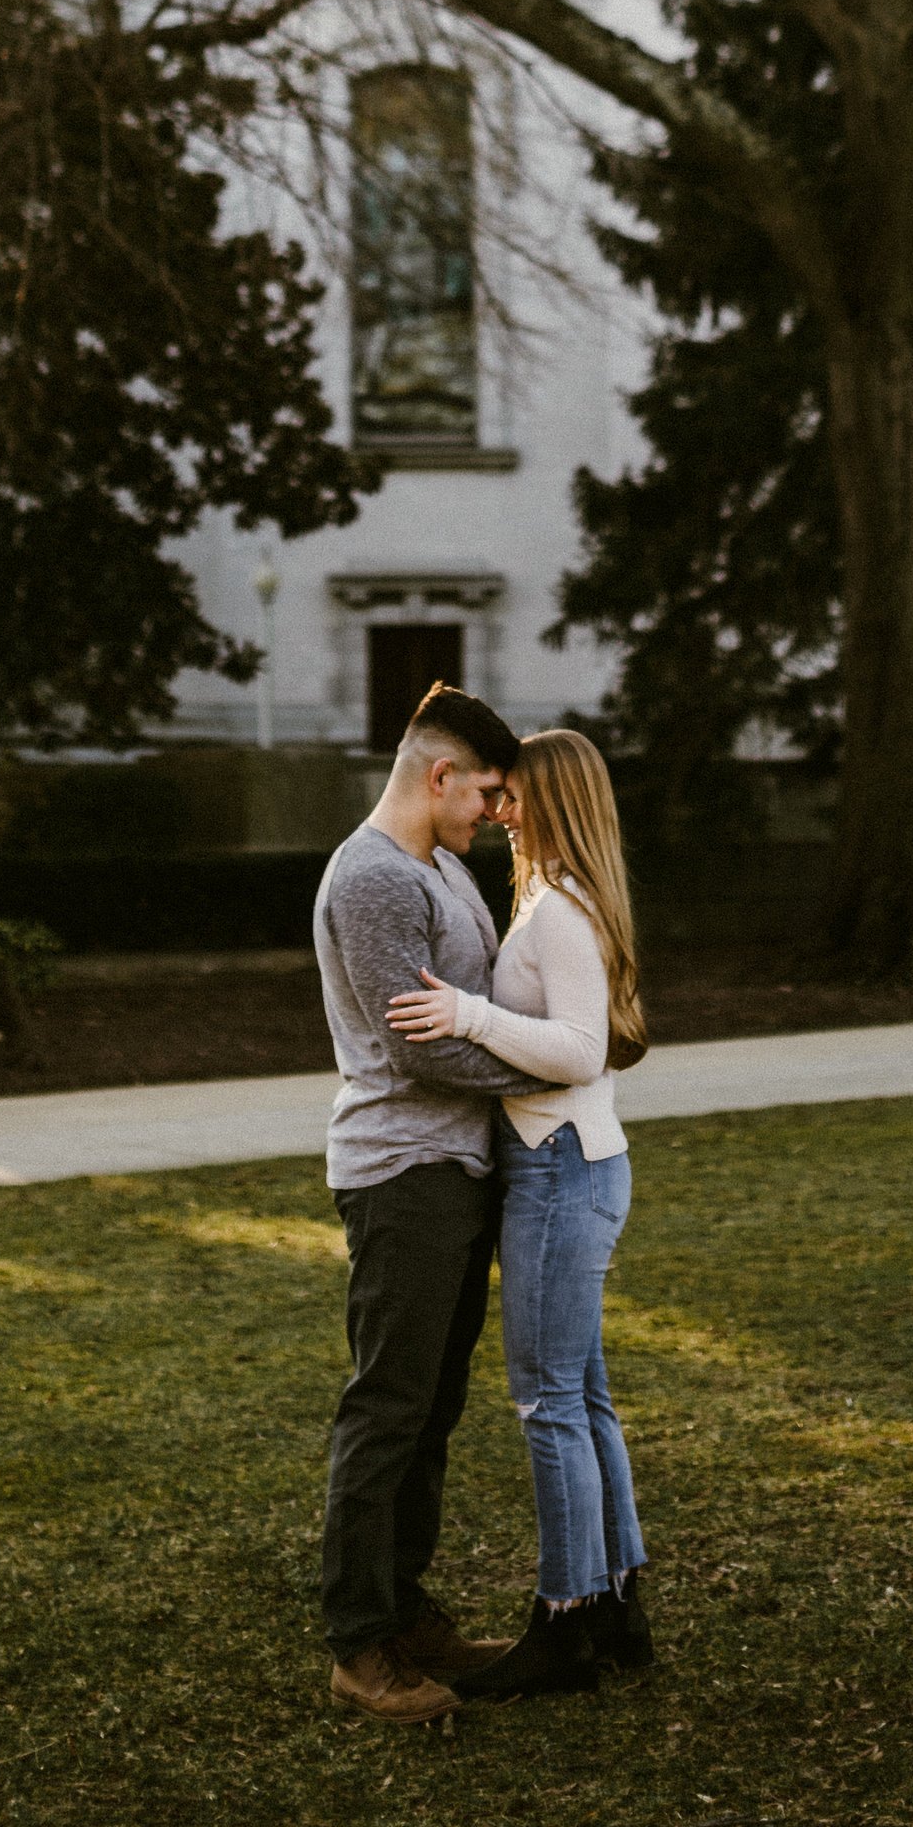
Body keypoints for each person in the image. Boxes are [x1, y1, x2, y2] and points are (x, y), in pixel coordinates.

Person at [387, 724, 654, 1704]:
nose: (497, 810)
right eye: (493, 797)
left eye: (514, 797)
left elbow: (581, 1049)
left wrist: (465, 1016)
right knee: (581, 1398)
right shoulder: (557, 899)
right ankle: (616, 1606)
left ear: (555, 801)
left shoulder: (561, 912)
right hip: (572, 1163)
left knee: (549, 1402)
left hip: (558, 1169)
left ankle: (567, 1618)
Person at [311, 680, 536, 1726]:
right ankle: (359, 1646)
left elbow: (474, 1011)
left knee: (432, 1409)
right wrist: (550, 1073)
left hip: (456, 1169)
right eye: (486, 791)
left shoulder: (439, 868)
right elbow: (422, 1042)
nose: (495, 812)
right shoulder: (371, 878)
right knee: (387, 1407)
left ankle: (405, 1610)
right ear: (438, 773)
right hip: (403, 1172)